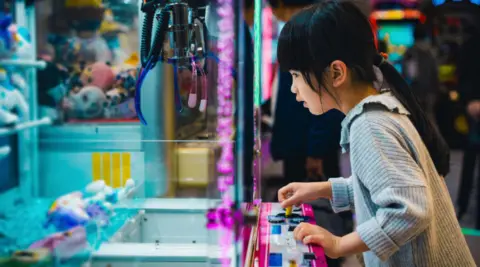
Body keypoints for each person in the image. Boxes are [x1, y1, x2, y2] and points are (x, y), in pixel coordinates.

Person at [276, 1, 475, 266]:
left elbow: (408, 211)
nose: (293, 88)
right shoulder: (379, 111)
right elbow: (380, 184)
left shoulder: (370, 124)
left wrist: (339, 243)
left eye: (296, 75)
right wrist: (322, 189)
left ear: (336, 72)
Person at [457, 24, 480, 229]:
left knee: (471, 160)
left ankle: (464, 207)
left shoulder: (470, 42)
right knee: (471, 160)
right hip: (475, 109)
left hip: (473, 107)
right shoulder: (472, 44)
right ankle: (466, 208)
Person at [402, 23, 440, 122]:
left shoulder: (410, 52)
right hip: (430, 92)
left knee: (416, 120)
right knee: (430, 118)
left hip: (415, 91)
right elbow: (435, 72)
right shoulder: (431, 51)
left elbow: (408, 74)